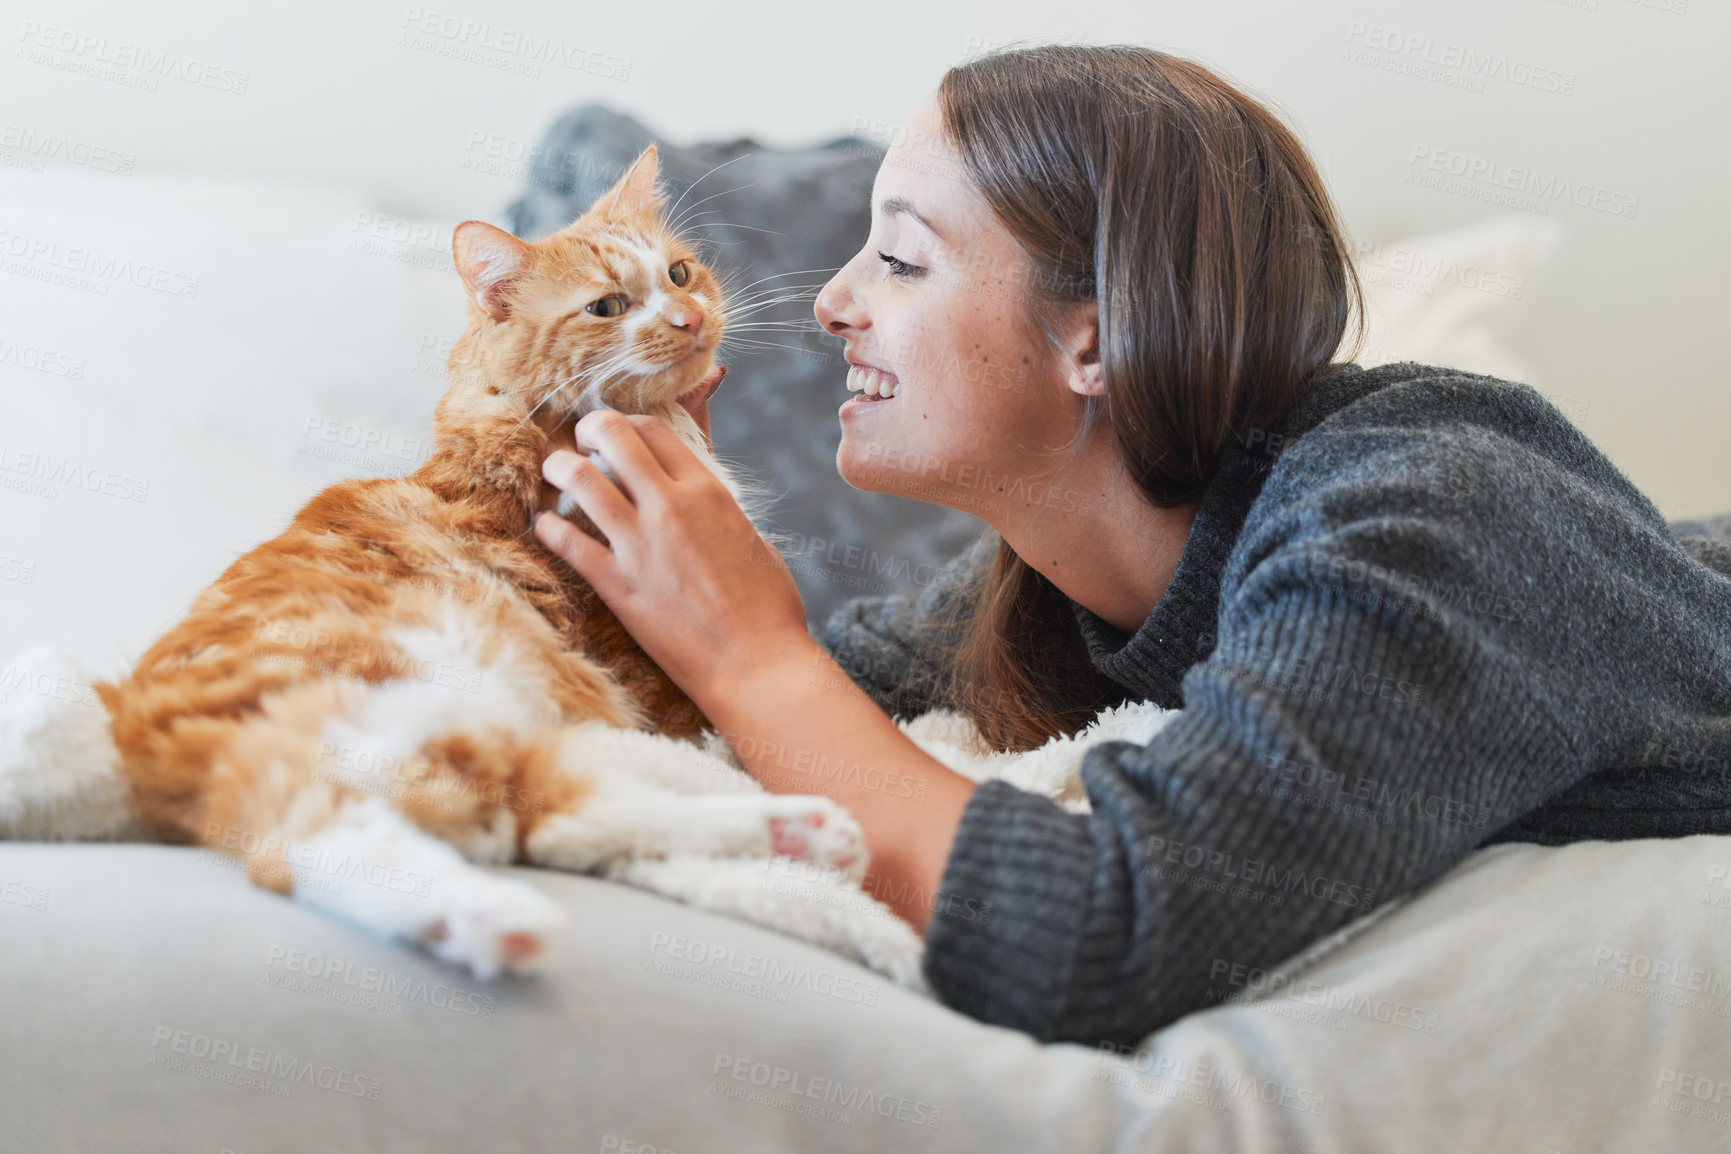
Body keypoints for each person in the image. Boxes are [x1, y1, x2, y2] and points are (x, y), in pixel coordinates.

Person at [532, 45, 1731, 1048]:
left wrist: (756, 653)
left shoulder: (1437, 514)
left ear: (1095, 341)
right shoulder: (1042, 587)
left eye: (900, 257)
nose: (836, 301)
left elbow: (1095, 934)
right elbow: (722, 729)